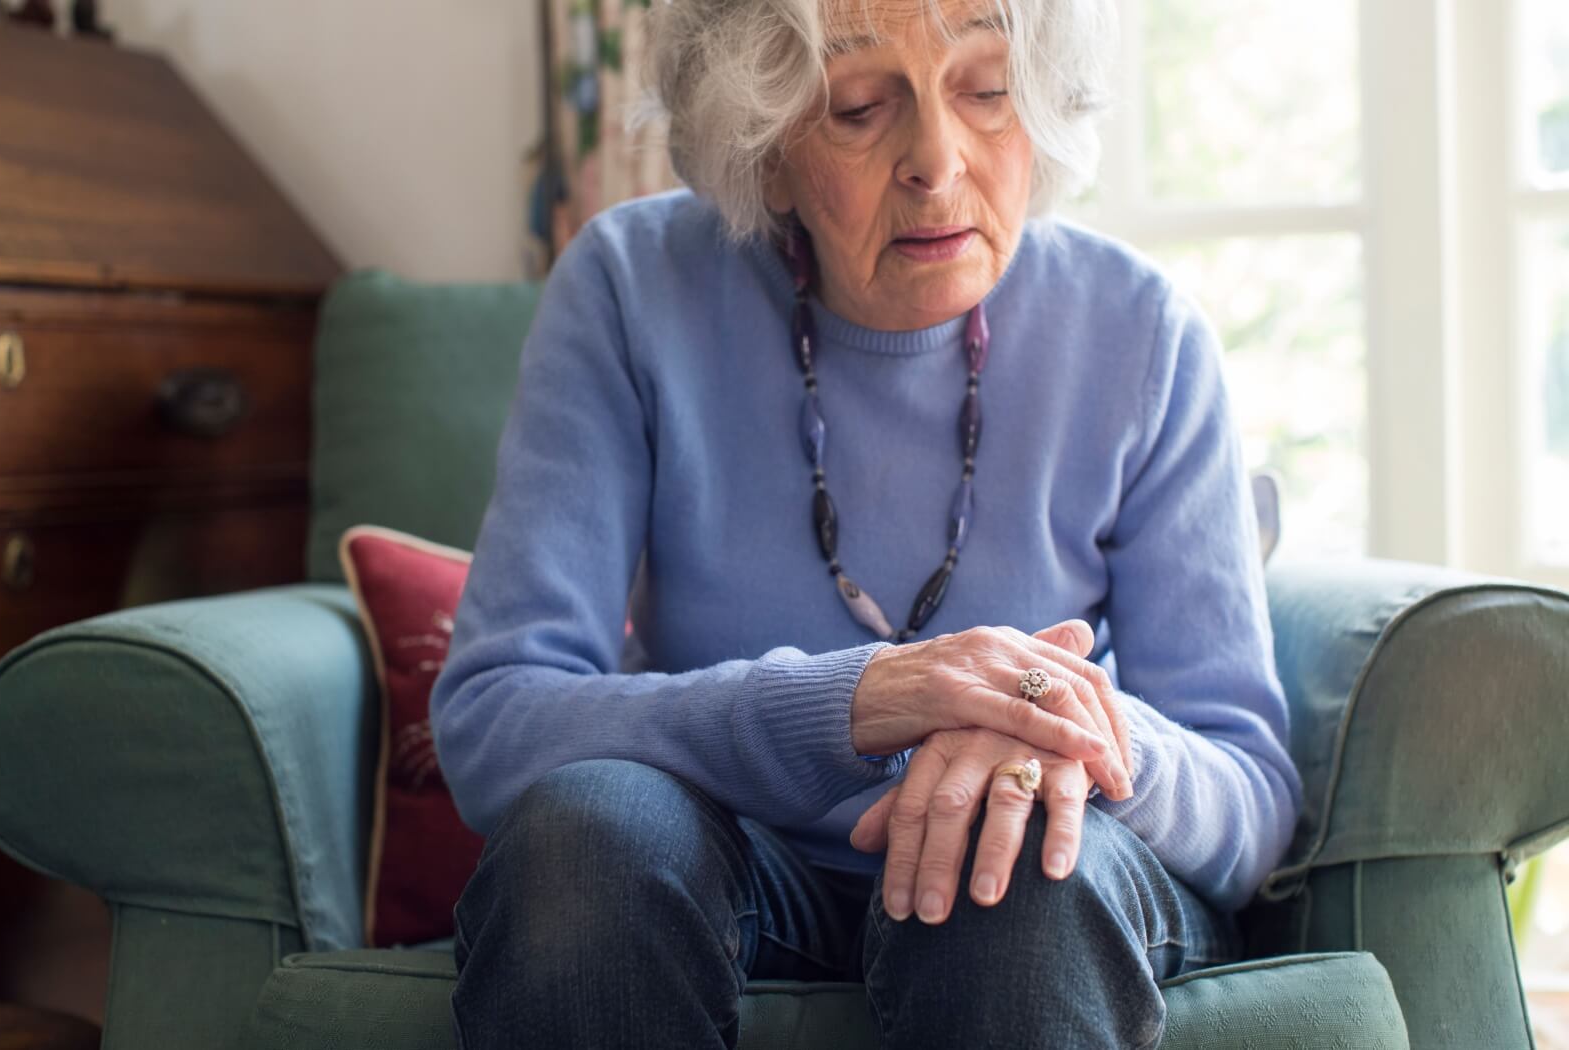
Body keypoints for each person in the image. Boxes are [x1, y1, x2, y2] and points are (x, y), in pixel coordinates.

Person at [430, 0, 1304, 1045]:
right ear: (763, 147)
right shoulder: (632, 288)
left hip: (1043, 889)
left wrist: (1063, 729)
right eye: (855, 107)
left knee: (1015, 848)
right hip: (735, 867)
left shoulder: (1140, 331)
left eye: (986, 90)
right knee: (587, 842)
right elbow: (495, 718)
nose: (937, 160)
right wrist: (852, 701)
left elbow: (1246, 798)